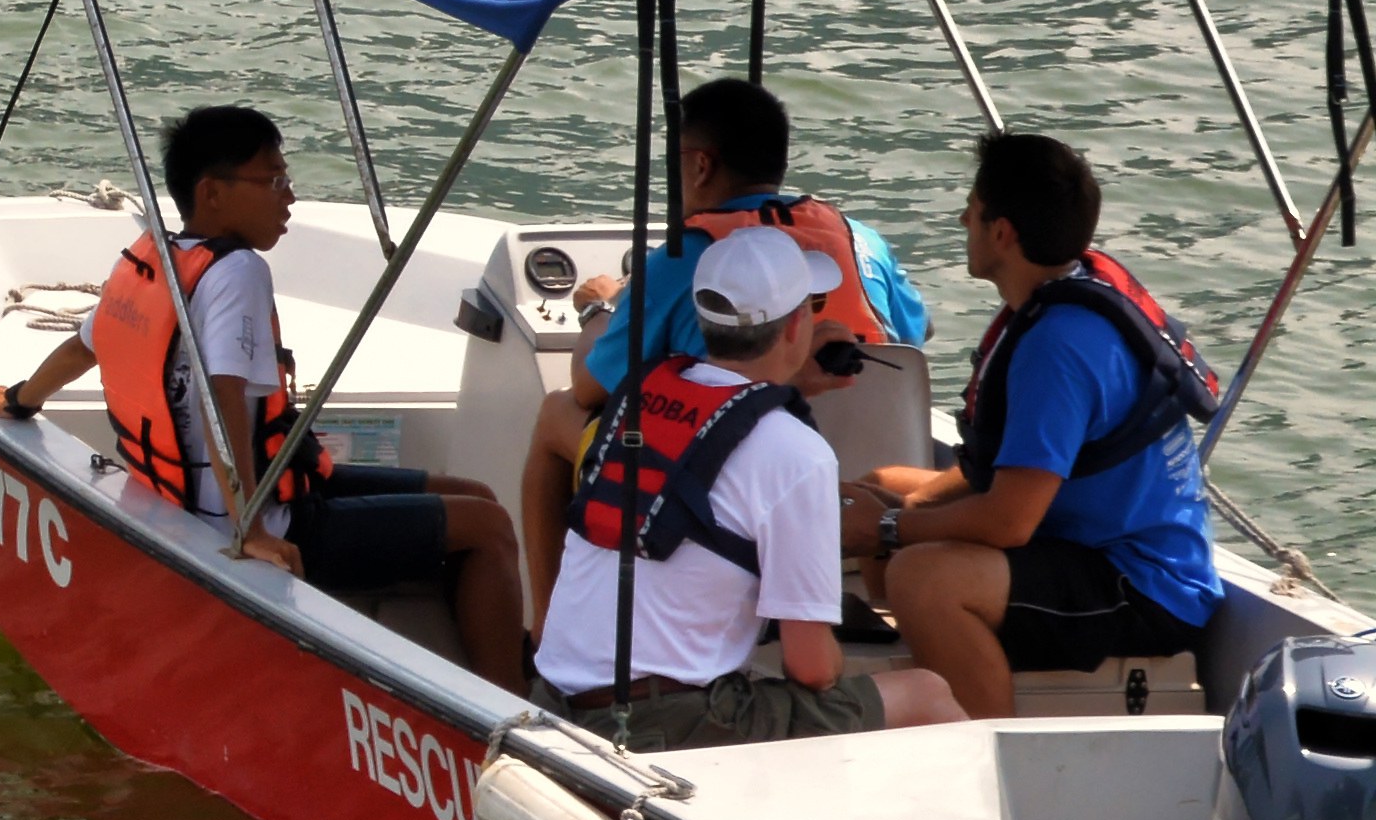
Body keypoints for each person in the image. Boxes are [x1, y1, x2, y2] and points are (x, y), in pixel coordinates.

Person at [0, 102, 534, 686]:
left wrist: (19, 401)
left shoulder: (155, 259)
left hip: (210, 491)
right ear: (212, 193)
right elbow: (222, 397)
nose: (288, 197)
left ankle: (475, 655)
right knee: (489, 529)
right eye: (274, 180)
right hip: (255, 514)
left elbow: (84, 347)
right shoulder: (238, 272)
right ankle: (512, 702)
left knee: (474, 494)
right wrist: (251, 529)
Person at [537, 228, 960, 748]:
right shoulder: (794, 452)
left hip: (555, 698)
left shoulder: (638, 397)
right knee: (927, 694)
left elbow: (714, 438)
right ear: (796, 327)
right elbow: (811, 670)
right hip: (654, 724)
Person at [867, 131, 1229, 718]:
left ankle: (986, 756)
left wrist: (885, 529)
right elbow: (1006, 473)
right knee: (884, 484)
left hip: (1142, 585)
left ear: (1001, 231)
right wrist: (897, 506)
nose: (963, 218)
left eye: (974, 209)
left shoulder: (1058, 345)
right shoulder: (1054, 304)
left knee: (921, 578)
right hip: (1079, 543)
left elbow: (1010, 519)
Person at [507, 76, 925, 568]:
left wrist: (599, 310)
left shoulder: (687, 255)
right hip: (858, 487)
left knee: (556, 412)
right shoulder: (862, 241)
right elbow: (912, 339)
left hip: (729, 489)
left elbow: (590, 389)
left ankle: (544, 631)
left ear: (701, 164)